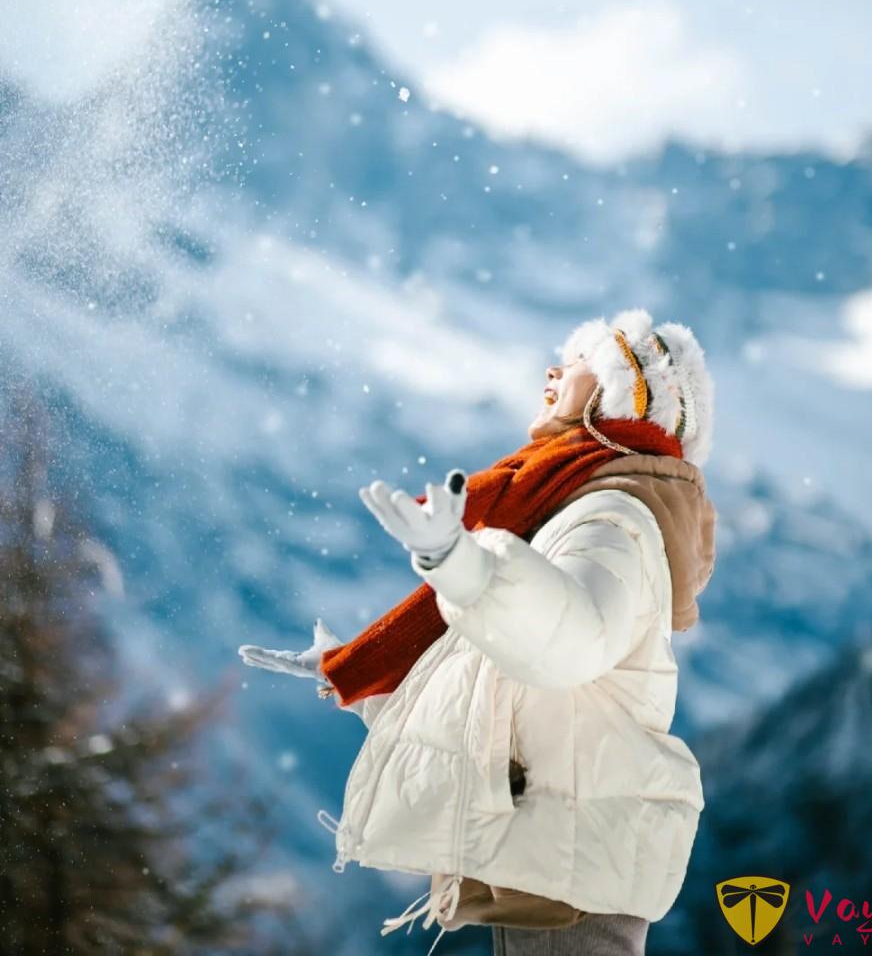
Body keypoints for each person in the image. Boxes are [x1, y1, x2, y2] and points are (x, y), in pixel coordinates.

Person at [240, 307, 718, 955]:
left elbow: (566, 644)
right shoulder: (577, 507)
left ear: (622, 394)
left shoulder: (610, 519)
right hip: (562, 861)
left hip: (570, 872)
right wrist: (356, 675)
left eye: (578, 361)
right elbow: (505, 710)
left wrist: (464, 566)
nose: (554, 370)